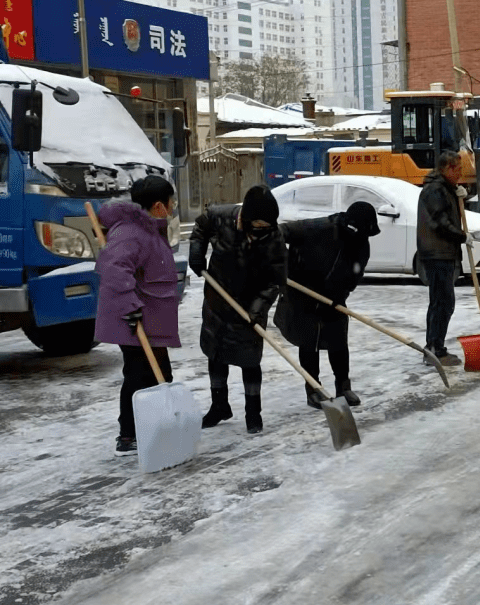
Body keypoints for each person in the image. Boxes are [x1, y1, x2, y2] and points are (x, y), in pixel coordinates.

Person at [188, 185, 287, 434]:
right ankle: (219, 405)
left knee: (249, 359)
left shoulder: (274, 237)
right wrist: (197, 254)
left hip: (251, 303)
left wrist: (256, 310)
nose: (261, 232)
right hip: (217, 299)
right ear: (247, 218)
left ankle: (253, 413)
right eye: (258, 226)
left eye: (267, 228)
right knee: (216, 353)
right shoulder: (222, 217)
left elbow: (275, 280)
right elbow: (200, 228)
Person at [94, 175, 181, 455]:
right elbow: (114, 271)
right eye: (172, 202)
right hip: (134, 319)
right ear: (158, 206)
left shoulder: (149, 229)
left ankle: (152, 429)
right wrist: (131, 308)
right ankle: (128, 436)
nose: (174, 206)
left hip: (149, 317)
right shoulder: (131, 233)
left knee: (160, 375)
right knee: (138, 375)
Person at [274, 202, 380, 409]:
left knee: (338, 341)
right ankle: (313, 389)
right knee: (309, 342)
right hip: (302, 292)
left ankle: (343, 387)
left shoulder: (361, 244)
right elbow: (280, 233)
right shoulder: (319, 228)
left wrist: (339, 295)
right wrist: (284, 266)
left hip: (333, 297)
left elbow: (354, 276)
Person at [417, 151, 470, 368]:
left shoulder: (444, 189)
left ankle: (434, 347)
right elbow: (439, 222)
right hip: (436, 253)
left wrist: (457, 195)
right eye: (457, 170)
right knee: (442, 302)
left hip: (442, 252)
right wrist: (461, 236)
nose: (460, 174)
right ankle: (434, 349)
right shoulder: (435, 190)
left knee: (441, 302)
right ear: (446, 169)